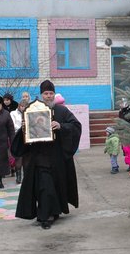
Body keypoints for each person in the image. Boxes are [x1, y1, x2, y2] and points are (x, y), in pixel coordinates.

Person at [11, 80, 82, 229]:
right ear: (41, 95)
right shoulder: (32, 110)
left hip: (57, 157)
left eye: (51, 93)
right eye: (46, 93)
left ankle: (54, 212)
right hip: (39, 157)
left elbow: (76, 126)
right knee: (45, 186)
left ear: (54, 94)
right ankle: (46, 216)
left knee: (56, 186)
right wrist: (25, 129)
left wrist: (61, 126)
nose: (49, 96)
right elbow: (25, 135)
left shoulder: (62, 111)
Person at [10, 99, 28, 184]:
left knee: (26, 158)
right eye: (22, 106)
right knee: (18, 157)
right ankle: (18, 176)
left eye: (25, 106)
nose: (23, 108)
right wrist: (22, 127)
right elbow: (13, 125)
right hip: (17, 136)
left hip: (27, 137)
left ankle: (26, 177)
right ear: (19, 106)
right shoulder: (13, 113)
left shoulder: (29, 113)